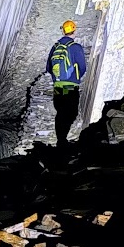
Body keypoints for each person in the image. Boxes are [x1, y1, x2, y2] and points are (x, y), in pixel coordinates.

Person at [48, 19, 87, 150]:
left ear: (63, 31)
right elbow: (82, 67)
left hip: (58, 86)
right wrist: (75, 77)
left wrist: (58, 78)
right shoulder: (75, 47)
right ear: (74, 31)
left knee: (60, 112)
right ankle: (62, 140)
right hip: (70, 86)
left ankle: (61, 139)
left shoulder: (55, 47)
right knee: (71, 112)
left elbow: (49, 67)